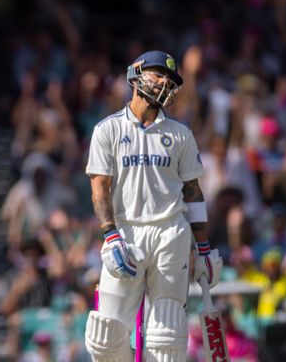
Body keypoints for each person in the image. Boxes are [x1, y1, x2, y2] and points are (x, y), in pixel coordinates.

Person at [84, 50, 223, 361]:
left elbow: (193, 193)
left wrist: (203, 249)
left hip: (170, 234)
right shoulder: (108, 130)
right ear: (136, 74)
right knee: (104, 338)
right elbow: (99, 189)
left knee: (166, 340)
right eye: (158, 74)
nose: (164, 83)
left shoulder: (180, 133)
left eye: (170, 79)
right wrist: (110, 236)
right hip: (126, 233)